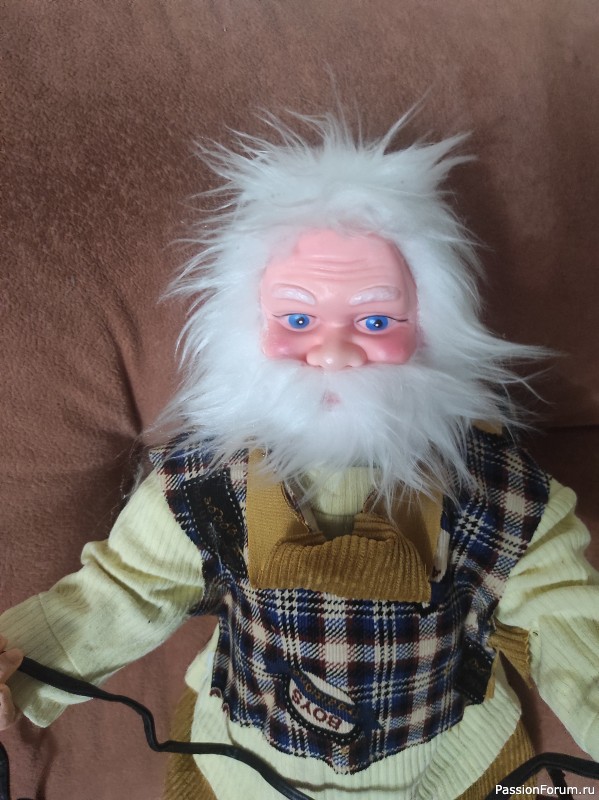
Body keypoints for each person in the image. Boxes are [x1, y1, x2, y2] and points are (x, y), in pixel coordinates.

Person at [1, 115, 598, 800]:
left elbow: (568, 620)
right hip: (243, 767)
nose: (334, 353)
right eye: (298, 319)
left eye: (375, 321)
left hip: (451, 765)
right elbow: (124, 591)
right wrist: (17, 672)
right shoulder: (204, 483)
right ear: (246, 325)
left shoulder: (495, 491)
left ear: (430, 324)